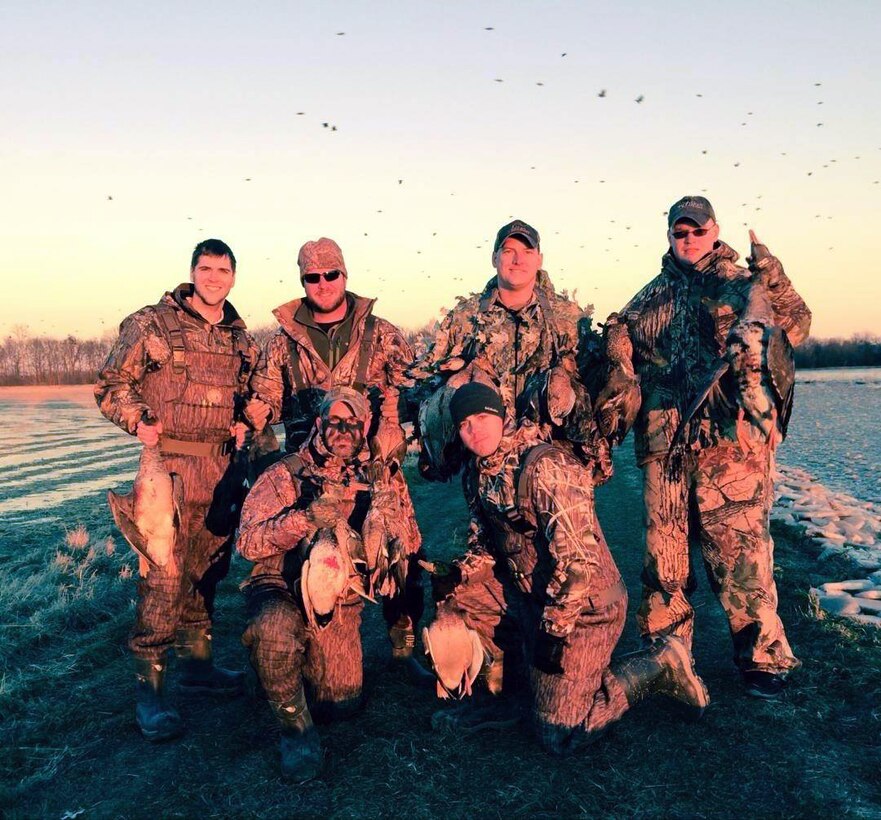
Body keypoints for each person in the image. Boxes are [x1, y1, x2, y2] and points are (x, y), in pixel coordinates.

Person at [599, 195, 812, 699]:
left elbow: (796, 325)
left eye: (697, 230)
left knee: (739, 553)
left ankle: (763, 658)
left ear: (714, 230)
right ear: (669, 235)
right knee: (664, 558)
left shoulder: (744, 285)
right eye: (680, 231)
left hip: (729, 447)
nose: (689, 239)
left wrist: (774, 275)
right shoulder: (646, 300)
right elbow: (619, 360)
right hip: (664, 448)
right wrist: (612, 347)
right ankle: (666, 652)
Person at [423, 383, 709, 755]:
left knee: (558, 734)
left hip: (587, 608)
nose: (473, 429)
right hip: (534, 594)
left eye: (481, 417)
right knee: (460, 597)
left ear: (501, 415)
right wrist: (459, 574)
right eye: (464, 423)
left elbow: (578, 565)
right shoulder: (477, 474)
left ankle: (658, 663)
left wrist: (554, 634)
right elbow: (485, 544)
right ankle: (513, 689)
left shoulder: (547, 467)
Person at [95, 239, 258, 741]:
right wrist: (136, 419)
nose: (214, 277)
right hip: (167, 472)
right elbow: (110, 385)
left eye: (223, 269)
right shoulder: (150, 324)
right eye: (205, 268)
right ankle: (151, 688)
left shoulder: (241, 338)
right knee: (163, 577)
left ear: (234, 277)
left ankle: (199, 666)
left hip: (221, 474)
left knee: (207, 572)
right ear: (192, 273)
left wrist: (248, 423)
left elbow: (253, 395)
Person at [245, 238, 428, 678]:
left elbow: (414, 388)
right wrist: (257, 413)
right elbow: (265, 398)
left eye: (332, 275)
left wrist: (393, 412)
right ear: (302, 280)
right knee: (314, 555)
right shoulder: (281, 343)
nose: (323, 284)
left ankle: (401, 640)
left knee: (402, 550)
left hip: (373, 472)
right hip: (309, 471)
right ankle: (307, 633)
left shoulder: (381, 334)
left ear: (345, 275)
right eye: (313, 277)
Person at [237, 388, 425, 780]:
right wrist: (303, 520)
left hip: (337, 596)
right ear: (320, 423)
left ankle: (282, 670)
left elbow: (412, 541)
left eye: (352, 422)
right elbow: (247, 543)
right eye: (334, 421)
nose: (343, 430)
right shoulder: (285, 472)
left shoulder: (378, 476)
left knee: (339, 705)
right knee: (272, 629)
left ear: (366, 425)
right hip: (281, 586)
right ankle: (295, 731)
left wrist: (387, 513)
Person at [407, 220, 603, 480]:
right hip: (486, 466)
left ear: (539, 259)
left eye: (527, 252)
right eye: (509, 251)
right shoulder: (466, 316)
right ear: (494, 258)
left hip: (555, 464)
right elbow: (428, 374)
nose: (517, 259)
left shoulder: (567, 318)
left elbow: (596, 382)